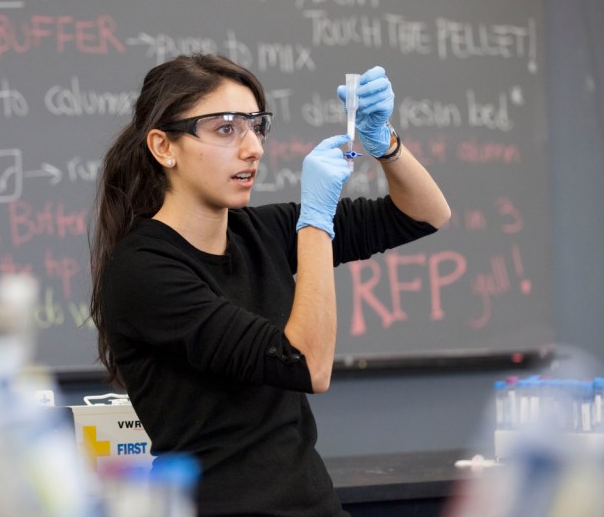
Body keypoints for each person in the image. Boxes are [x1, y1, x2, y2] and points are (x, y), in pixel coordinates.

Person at [89, 53, 450, 516]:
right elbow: (306, 365)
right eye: (225, 128)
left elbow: (424, 215)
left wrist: (385, 145)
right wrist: (316, 222)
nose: (253, 147)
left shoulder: (259, 231)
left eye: (256, 126)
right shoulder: (145, 270)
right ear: (164, 147)